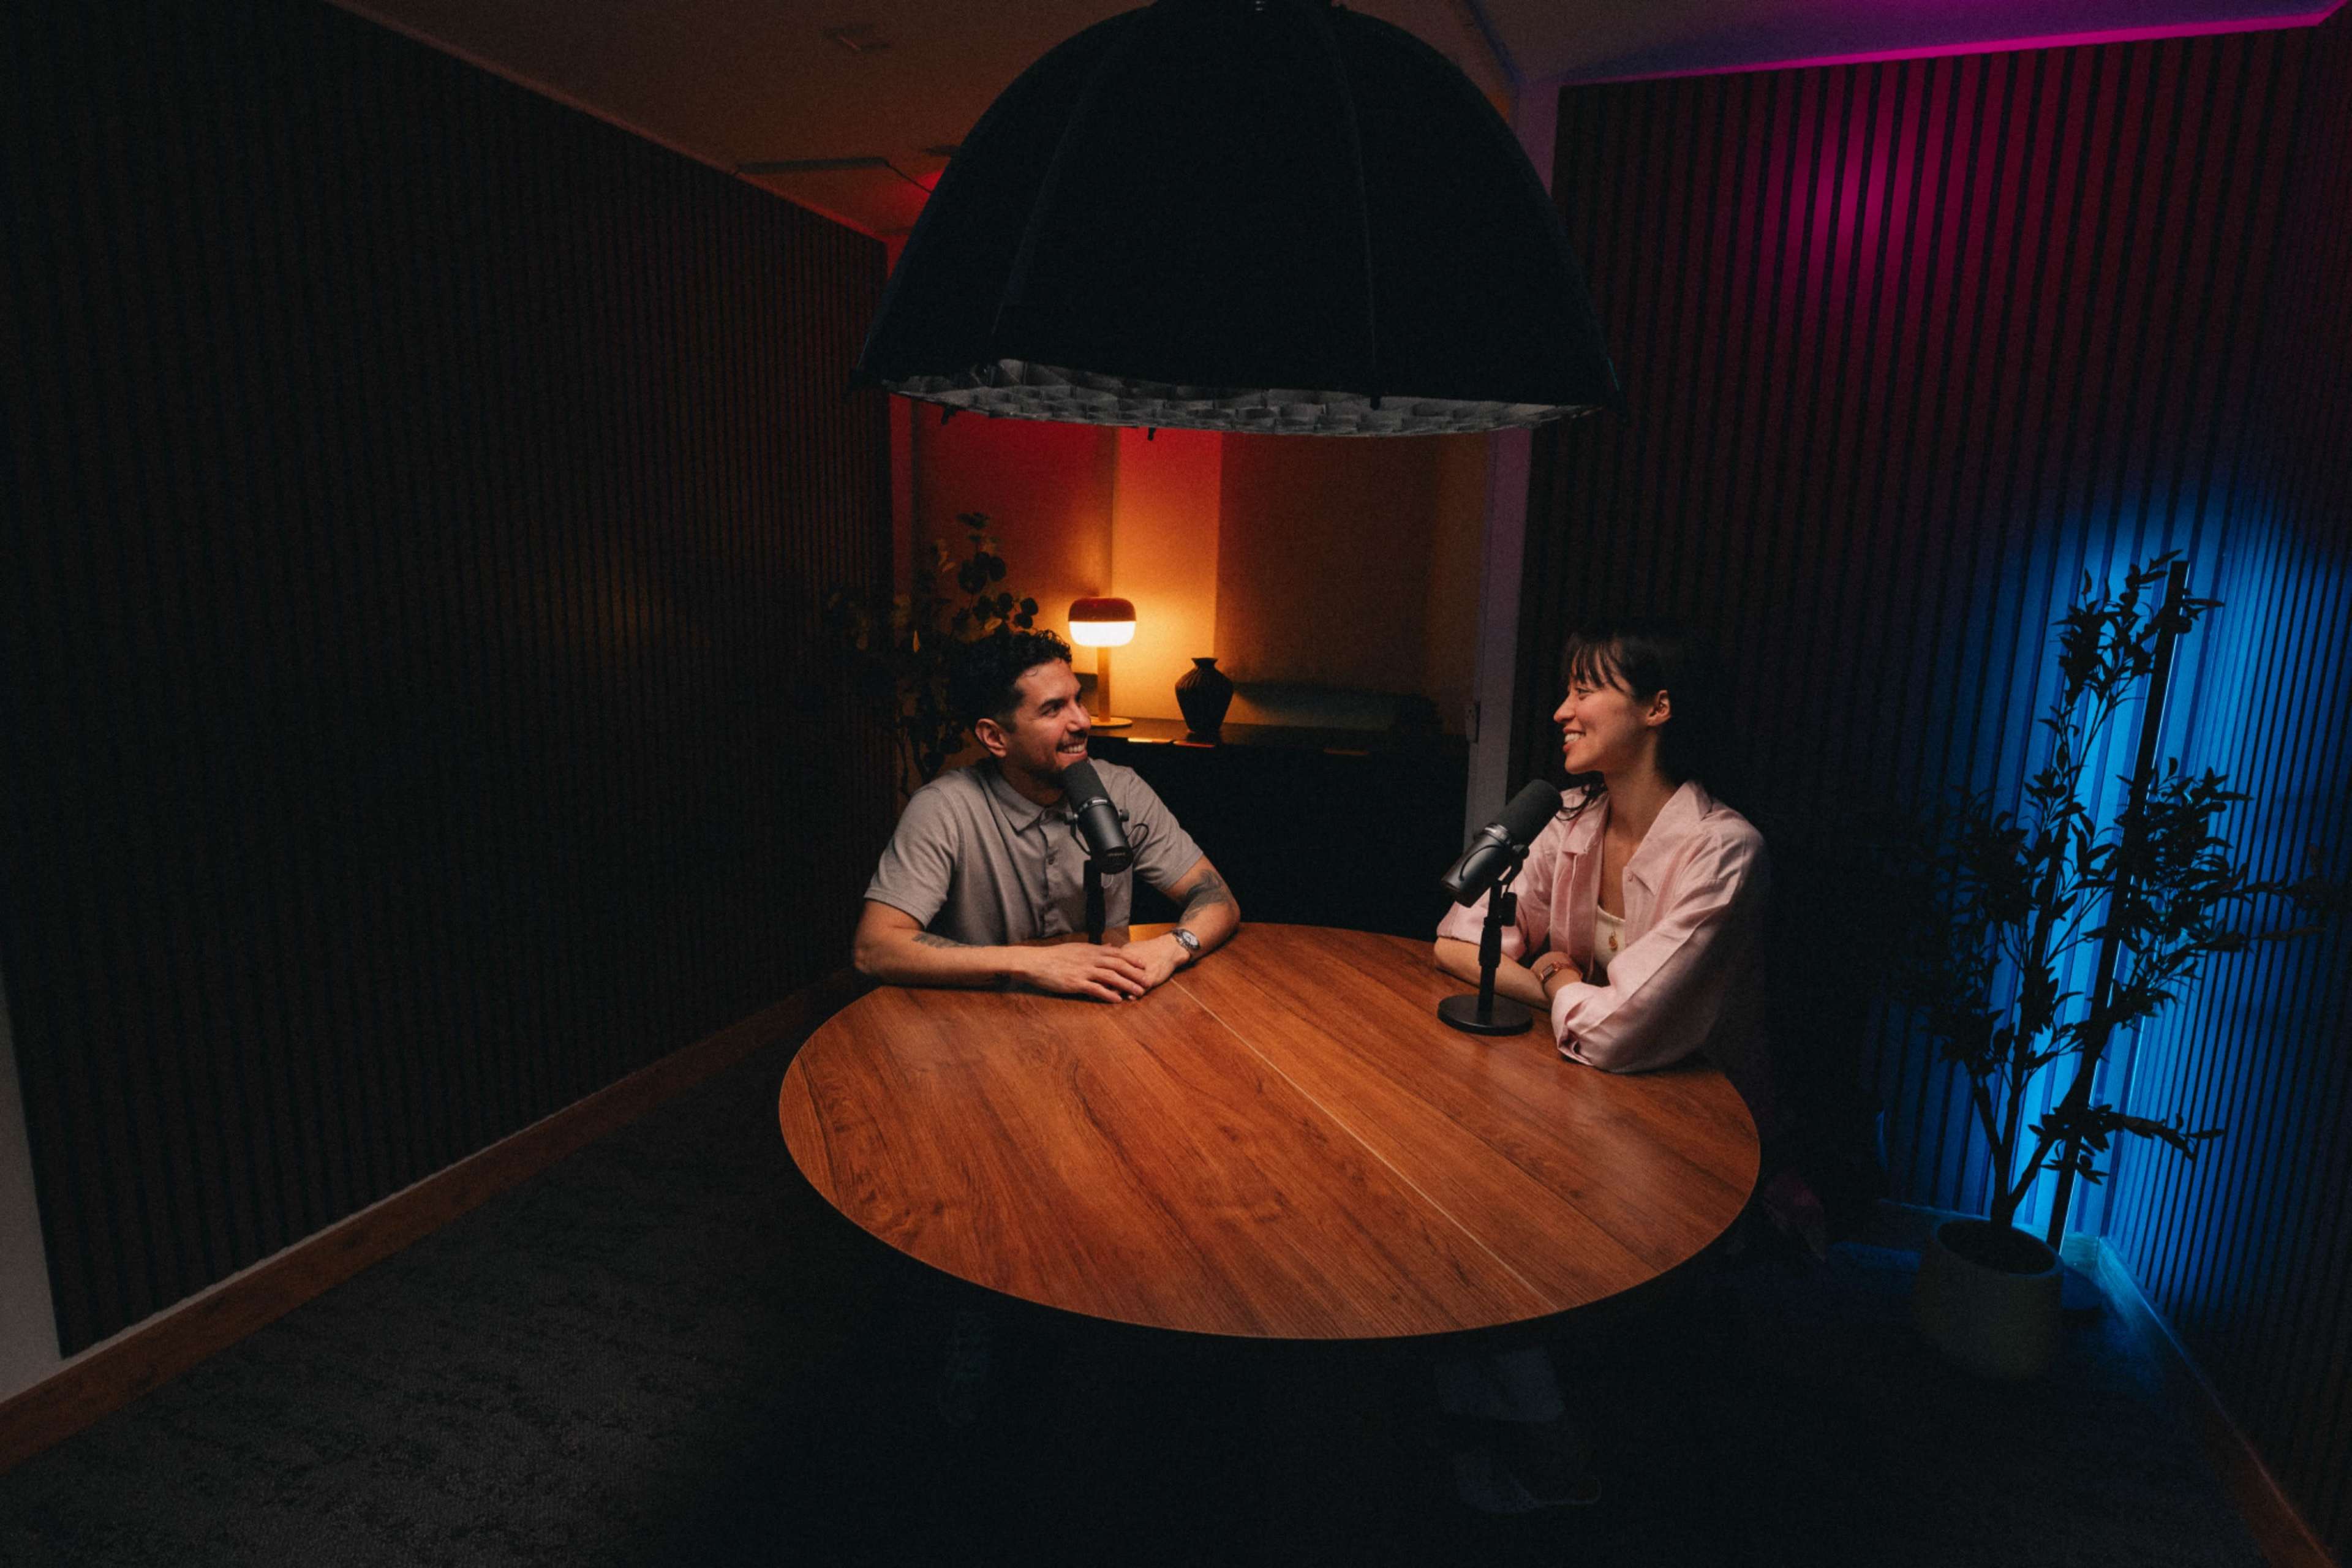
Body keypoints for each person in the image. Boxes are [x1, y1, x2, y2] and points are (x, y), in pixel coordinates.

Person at [1428, 619, 1772, 1512]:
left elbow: (1628, 1036)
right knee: (1449, 1180)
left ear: (1658, 709)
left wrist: (1554, 974)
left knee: (1498, 1231)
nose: (1560, 711)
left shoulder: (1723, 850)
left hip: (1693, 1126)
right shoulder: (1570, 817)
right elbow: (1458, 940)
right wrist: (1560, 978)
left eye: (1586, 691)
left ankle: (1560, 1467)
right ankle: (1483, 1413)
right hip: (1581, 1095)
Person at [855, 627, 1240, 996]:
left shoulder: (1122, 788)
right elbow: (875, 948)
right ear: (995, 737)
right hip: (978, 1026)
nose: (1083, 722)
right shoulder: (944, 808)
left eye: (1078, 700)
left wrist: (1171, 948)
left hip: (1103, 1015)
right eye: (1053, 709)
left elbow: (1219, 900)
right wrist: (1035, 964)